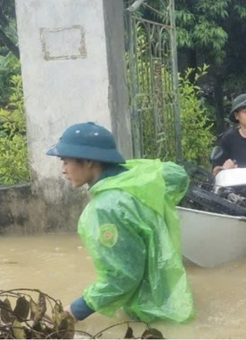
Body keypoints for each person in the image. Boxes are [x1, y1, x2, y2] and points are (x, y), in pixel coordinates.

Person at [46, 122, 194, 323]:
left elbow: (122, 278)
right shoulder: (138, 182)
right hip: (174, 298)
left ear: (89, 160)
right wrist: (131, 167)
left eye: (65, 161)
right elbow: (178, 176)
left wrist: (75, 311)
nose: (63, 170)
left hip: (150, 316)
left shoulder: (107, 207)